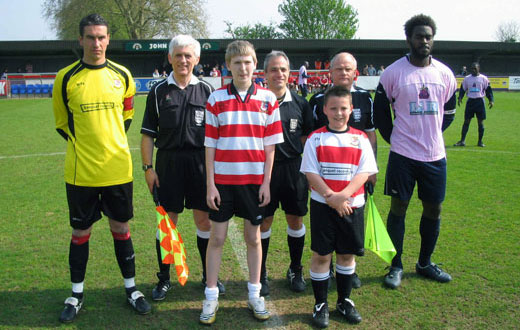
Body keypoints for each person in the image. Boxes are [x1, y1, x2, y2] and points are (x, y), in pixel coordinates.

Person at [53, 14, 150, 323]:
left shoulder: (123, 75)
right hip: (81, 171)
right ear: (80, 40)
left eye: (101, 37)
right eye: (90, 37)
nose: (96, 43)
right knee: (81, 231)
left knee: (121, 228)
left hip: (118, 170)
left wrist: (108, 144)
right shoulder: (65, 77)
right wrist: (89, 146)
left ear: (108, 40)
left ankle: (132, 289)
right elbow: (61, 123)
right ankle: (76, 294)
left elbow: (127, 117)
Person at [199, 40, 283, 325]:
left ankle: (254, 294)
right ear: (228, 66)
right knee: (218, 238)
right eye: (237, 63)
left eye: (248, 62)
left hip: (253, 182)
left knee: (253, 238)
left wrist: (266, 182)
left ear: (255, 64)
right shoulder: (216, 99)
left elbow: (270, 146)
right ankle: (210, 297)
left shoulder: (269, 99)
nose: (243, 68)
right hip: (222, 182)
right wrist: (210, 184)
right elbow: (210, 145)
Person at [373, 14, 457, 289]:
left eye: (429, 36)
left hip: (434, 156)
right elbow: (381, 114)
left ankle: (424, 263)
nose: (424, 41)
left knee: (434, 208)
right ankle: (395, 266)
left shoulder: (444, 74)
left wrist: (429, 134)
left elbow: (450, 113)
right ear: (409, 39)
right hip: (403, 156)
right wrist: (398, 138)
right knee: (399, 207)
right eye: (419, 36)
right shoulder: (393, 73)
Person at [140, 34, 225, 302]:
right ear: (170, 58)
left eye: (188, 55)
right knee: (168, 222)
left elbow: (218, 135)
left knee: (203, 220)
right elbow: (147, 135)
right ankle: (164, 279)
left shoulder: (208, 91)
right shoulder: (157, 91)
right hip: (168, 164)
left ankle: (208, 276)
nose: (183, 60)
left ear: (197, 59)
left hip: (201, 163)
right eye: (178, 55)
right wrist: (147, 168)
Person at [301, 86, 378, 328]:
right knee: (322, 255)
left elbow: (364, 172)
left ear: (351, 109)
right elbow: (311, 172)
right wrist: (330, 196)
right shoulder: (316, 138)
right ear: (324, 110)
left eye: (343, 108)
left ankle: (344, 301)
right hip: (323, 206)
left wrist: (342, 196)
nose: (338, 113)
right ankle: (321, 303)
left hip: (351, 205)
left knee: (346, 254)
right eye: (333, 108)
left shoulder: (361, 139)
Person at [309, 52, 378, 289]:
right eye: (339, 69)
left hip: (355, 176)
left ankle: (346, 272)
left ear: (355, 72)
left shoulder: (365, 98)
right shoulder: (317, 99)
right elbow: (308, 137)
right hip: (325, 176)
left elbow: (370, 134)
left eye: (348, 69)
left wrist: (373, 170)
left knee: (350, 222)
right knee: (325, 228)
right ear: (330, 72)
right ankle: (325, 268)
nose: (343, 73)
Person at [259, 50, 314, 297]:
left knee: (296, 220)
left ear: (289, 74)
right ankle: (260, 272)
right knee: (264, 222)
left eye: (283, 69)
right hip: (264, 172)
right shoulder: (256, 102)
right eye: (273, 69)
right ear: (265, 74)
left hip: (294, 169)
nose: (278, 74)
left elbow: (307, 138)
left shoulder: (301, 103)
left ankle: (295, 268)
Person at [453, 62, 494, 147]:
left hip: (480, 102)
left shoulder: (484, 78)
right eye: (472, 68)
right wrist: (460, 98)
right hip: (470, 102)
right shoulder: (467, 78)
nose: (473, 70)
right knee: (466, 122)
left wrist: (491, 100)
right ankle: (462, 141)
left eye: (475, 68)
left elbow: (488, 90)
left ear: (479, 68)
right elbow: (463, 89)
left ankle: (480, 141)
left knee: (480, 123)